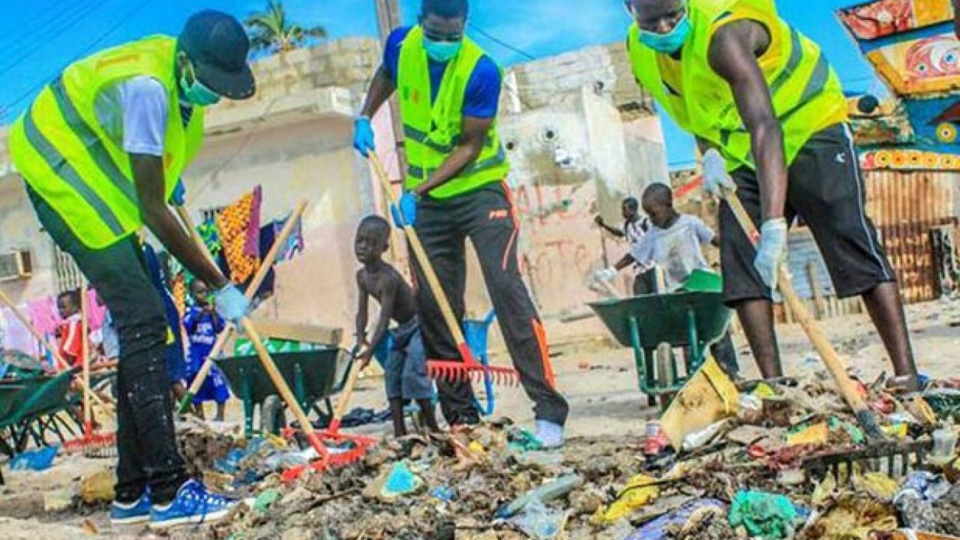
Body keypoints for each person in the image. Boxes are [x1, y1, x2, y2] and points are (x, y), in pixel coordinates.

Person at [9, 10, 257, 527]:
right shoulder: (149, 87)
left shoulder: (182, 84)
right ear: (186, 63)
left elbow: (155, 171)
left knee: (144, 323)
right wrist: (218, 283)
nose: (214, 95)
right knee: (145, 319)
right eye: (210, 85)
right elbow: (152, 210)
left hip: (96, 180)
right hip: (59, 173)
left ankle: (132, 491)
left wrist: (166, 181)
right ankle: (168, 490)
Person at [623, 0, 919, 388]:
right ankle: (774, 385)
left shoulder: (723, 34)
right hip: (740, 148)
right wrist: (708, 151)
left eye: (672, 17)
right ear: (630, 11)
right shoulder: (641, 51)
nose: (663, 29)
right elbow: (690, 104)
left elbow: (766, 126)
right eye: (651, 22)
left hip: (807, 122)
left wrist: (774, 224)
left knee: (848, 237)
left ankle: (906, 374)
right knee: (739, 256)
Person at [353, 0, 569, 446]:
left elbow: (469, 146)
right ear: (421, 22)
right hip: (428, 205)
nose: (444, 44)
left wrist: (418, 191)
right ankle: (461, 418)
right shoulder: (402, 45)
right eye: (435, 34)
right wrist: (364, 115)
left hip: (479, 191)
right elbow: (386, 74)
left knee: (506, 290)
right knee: (434, 306)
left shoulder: (481, 71)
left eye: (453, 36)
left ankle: (549, 412)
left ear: (465, 26)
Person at [632, 183, 739, 375]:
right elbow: (635, 255)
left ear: (668, 205)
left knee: (717, 332)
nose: (652, 219)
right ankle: (696, 376)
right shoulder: (653, 234)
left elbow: (713, 239)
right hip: (676, 291)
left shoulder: (690, 223)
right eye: (648, 214)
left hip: (700, 285)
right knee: (688, 337)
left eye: (654, 213)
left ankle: (730, 372)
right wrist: (612, 270)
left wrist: (737, 245)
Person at [353, 216, 440, 438]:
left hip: (419, 325)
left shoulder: (388, 277)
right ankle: (400, 434)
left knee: (413, 374)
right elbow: (361, 311)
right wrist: (360, 339)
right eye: (360, 241)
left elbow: (384, 318)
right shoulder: (361, 276)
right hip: (402, 329)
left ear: (384, 248)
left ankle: (434, 427)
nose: (363, 247)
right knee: (392, 374)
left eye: (371, 243)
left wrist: (370, 352)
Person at [143, 242, 189, 404]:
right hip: (163, 315)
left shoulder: (143, 250)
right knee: (166, 379)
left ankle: (194, 415)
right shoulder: (145, 248)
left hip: (162, 319)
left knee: (171, 376)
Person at [183, 279, 231, 422]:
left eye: (206, 292)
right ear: (191, 294)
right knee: (195, 381)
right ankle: (199, 413)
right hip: (197, 354)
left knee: (218, 382)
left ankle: (220, 414)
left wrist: (213, 312)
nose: (203, 295)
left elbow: (219, 328)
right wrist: (201, 314)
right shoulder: (190, 311)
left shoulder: (212, 312)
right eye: (199, 292)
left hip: (212, 352)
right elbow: (188, 326)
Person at [595, 196, 656, 295]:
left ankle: (610, 272)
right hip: (640, 270)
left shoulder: (646, 223)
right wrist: (604, 225)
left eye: (624, 209)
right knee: (640, 298)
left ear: (633, 210)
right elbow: (619, 233)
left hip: (653, 267)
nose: (623, 213)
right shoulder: (628, 225)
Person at [55, 290, 86, 369]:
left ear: (76, 307)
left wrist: (66, 369)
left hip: (76, 368)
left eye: (63, 307)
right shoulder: (79, 322)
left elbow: (71, 351)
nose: (60, 311)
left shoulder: (74, 324)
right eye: (59, 308)